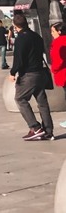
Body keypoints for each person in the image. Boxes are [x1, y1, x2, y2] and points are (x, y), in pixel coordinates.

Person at [9, 12, 54, 141]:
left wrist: (13, 73)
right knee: (42, 103)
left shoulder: (21, 39)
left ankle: (35, 128)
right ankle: (48, 131)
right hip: (40, 72)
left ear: (14, 25)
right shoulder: (36, 36)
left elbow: (19, 59)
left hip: (28, 74)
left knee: (20, 99)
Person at [49, 23, 66, 129]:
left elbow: (58, 60)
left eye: (53, 31)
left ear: (59, 32)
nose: (51, 34)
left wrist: (53, 69)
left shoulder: (58, 42)